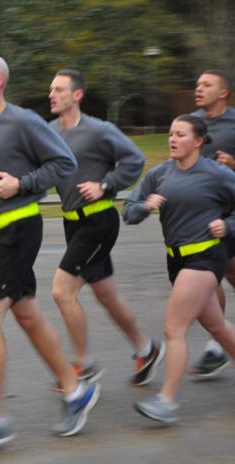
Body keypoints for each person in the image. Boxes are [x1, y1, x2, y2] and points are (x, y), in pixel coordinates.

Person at [0, 53, 100, 450]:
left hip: (18, 229)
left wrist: (22, 183)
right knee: (27, 314)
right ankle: (75, 391)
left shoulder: (23, 121)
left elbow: (64, 162)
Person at [48, 69, 165, 387]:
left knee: (62, 292)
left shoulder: (100, 130)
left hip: (98, 221)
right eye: (51, 89)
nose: (52, 94)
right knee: (106, 295)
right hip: (71, 222)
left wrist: (105, 184)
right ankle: (146, 348)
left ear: (77, 95)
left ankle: (83, 365)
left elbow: (134, 160)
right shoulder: (49, 131)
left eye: (59, 89)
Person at [123, 114, 235, 423]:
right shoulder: (158, 174)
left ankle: (167, 402)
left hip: (205, 257)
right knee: (216, 326)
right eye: (171, 133)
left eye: (181, 134)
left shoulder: (217, 175)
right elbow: (128, 211)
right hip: (176, 259)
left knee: (174, 328)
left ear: (198, 141)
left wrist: (227, 225)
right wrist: (146, 206)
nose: (172, 139)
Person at [189, 69, 235, 378]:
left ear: (223, 92)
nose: (198, 88)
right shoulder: (191, 123)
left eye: (206, 85)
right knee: (209, 278)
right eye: (197, 84)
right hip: (201, 215)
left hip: (231, 213)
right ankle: (216, 347)